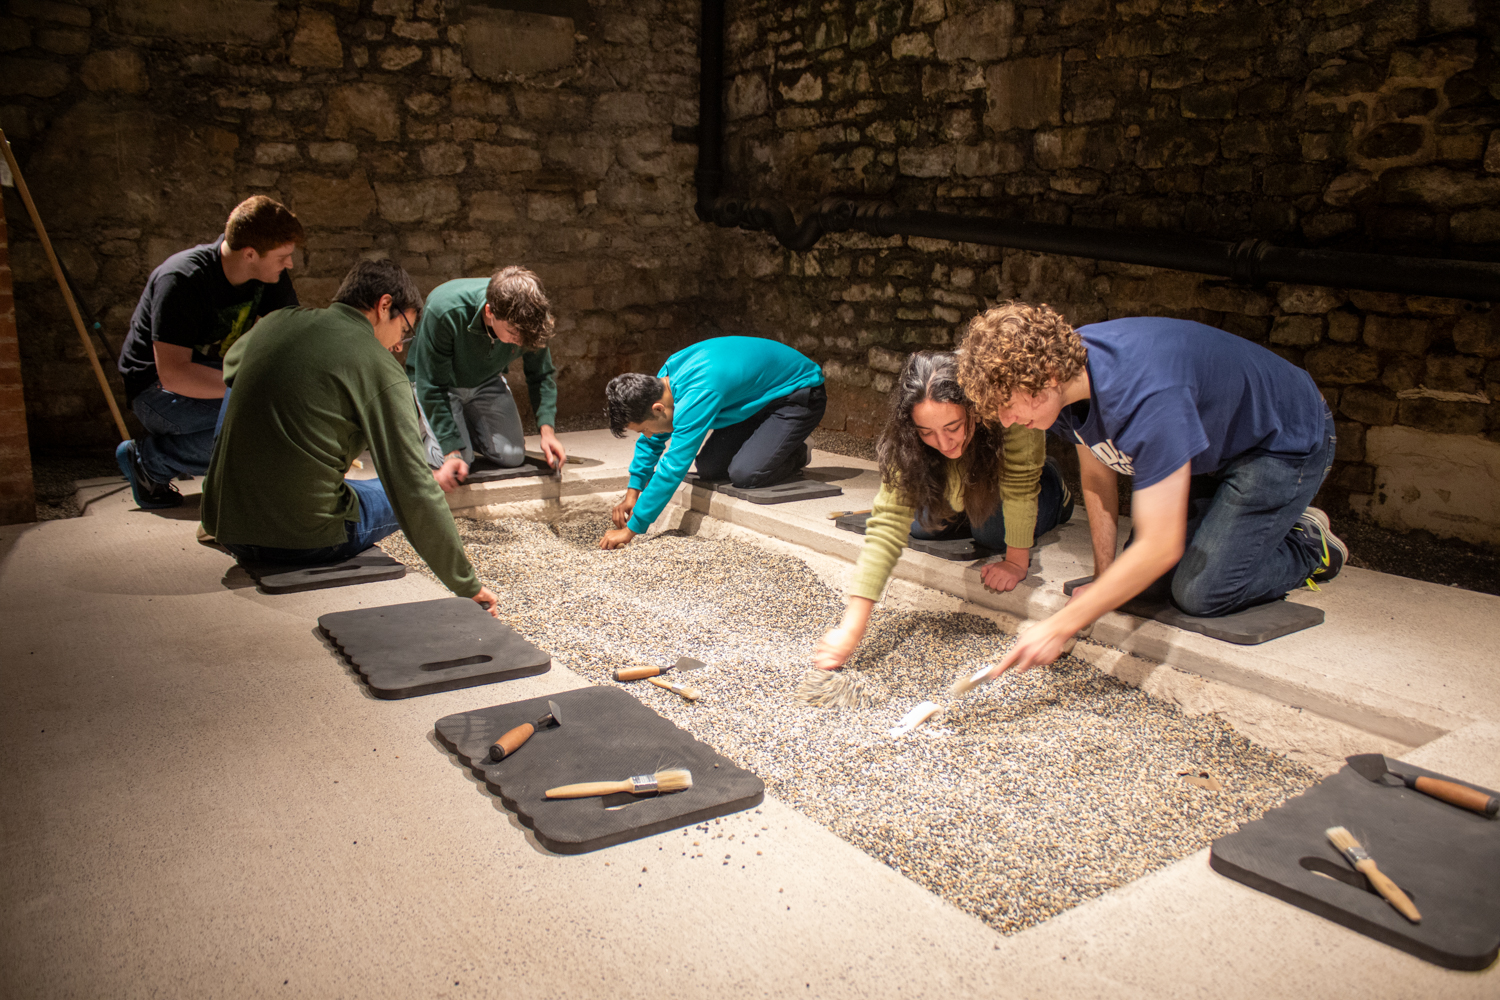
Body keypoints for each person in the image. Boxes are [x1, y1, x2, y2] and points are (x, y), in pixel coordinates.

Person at [955, 301, 1346, 678]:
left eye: (1008, 405)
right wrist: (1103, 580)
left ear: (1048, 375)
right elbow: (1097, 472)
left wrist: (1060, 626)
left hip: (1281, 441)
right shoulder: (1061, 391)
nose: (1006, 421)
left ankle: (1308, 543)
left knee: (1201, 592)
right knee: (1141, 584)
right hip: (1210, 444)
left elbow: (1161, 545)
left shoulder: (1147, 395)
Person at [200, 259, 498, 615]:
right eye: (405, 330)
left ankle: (213, 511)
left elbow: (232, 366)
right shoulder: (378, 367)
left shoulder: (279, 321)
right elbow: (411, 489)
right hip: (299, 540)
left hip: (227, 524)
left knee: (242, 385)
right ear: (384, 305)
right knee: (418, 487)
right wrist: (467, 586)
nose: (401, 346)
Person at [814, 350, 1073, 670]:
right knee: (921, 524)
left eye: (953, 426)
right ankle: (968, 504)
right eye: (927, 433)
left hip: (1019, 480)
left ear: (973, 409)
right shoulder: (907, 440)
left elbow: (1020, 486)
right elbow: (888, 523)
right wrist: (851, 628)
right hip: (967, 485)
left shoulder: (1006, 404)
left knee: (992, 532)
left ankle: (1055, 485)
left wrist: (1016, 562)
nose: (945, 442)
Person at [115, 195, 303, 509]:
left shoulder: (270, 276)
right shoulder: (182, 279)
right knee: (263, 425)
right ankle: (148, 461)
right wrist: (255, 393)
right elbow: (175, 374)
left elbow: (289, 338)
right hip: (156, 391)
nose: (290, 264)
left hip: (214, 374)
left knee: (284, 417)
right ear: (250, 253)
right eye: (283, 256)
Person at [602, 336, 826, 550]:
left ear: (658, 408)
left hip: (799, 393)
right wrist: (633, 493)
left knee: (746, 474)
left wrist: (632, 529)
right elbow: (651, 442)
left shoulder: (697, 393)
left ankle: (796, 449)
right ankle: (771, 439)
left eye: (644, 429)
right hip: (755, 402)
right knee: (709, 468)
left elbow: (673, 466)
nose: (648, 435)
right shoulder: (661, 384)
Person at [406, 267, 565, 492]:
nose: (520, 342)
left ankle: (465, 430)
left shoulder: (532, 319)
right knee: (457, 462)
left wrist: (547, 432)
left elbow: (541, 375)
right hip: (441, 384)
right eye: (513, 333)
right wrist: (452, 450)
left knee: (512, 456)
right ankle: (420, 433)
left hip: (486, 380)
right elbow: (431, 385)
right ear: (490, 311)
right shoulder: (445, 310)